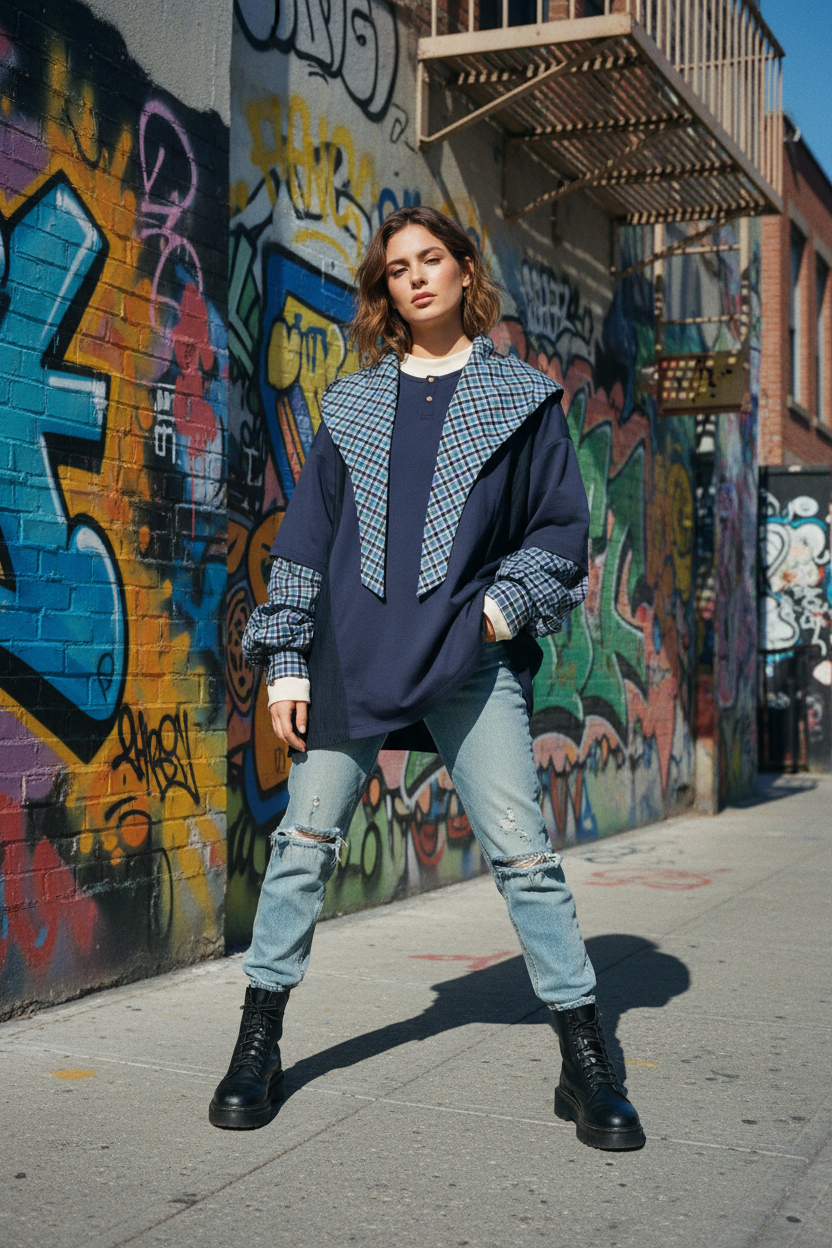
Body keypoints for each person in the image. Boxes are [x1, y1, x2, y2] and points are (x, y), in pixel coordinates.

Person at [210, 207, 645, 1151]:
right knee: (302, 848)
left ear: (464, 271)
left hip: (469, 661)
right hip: (347, 656)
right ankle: (258, 1044)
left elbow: (560, 531)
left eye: (431, 259)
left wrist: (493, 614)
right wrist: (286, 668)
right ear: (386, 288)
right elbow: (305, 543)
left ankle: (585, 1059)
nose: (414, 276)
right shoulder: (353, 403)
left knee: (525, 859)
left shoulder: (522, 398)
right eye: (397, 266)